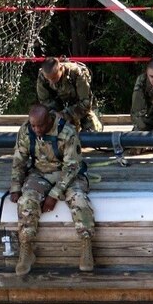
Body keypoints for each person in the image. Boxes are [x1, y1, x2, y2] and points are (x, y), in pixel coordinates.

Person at [8, 104, 95, 276]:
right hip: (40, 174)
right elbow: (19, 160)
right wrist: (16, 186)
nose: (36, 129)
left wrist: (54, 194)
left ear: (49, 119)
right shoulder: (26, 131)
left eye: (40, 125)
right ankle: (26, 249)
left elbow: (72, 167)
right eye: (33, 125)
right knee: (26, 201)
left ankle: (86, 245)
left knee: (78, 199)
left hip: (68, 175)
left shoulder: (67, 132)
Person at [36, 57, 103, 132]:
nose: (51, 82)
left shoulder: (77, 73)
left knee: (93, 132)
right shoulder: (42, 76)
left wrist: (65, 114)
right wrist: (55, 114)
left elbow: (86, 103)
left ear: (61, 69)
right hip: (58, 110)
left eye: (54, 78)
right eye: (48, 79)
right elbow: (45, 101)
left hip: (80, 109)